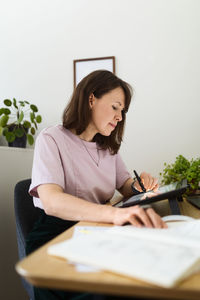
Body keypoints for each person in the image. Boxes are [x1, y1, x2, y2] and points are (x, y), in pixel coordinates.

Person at [26, 70, 167, 300]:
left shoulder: (107, 148)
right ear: (91, 99)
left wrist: (140, 185)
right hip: (56, 235)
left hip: (97, 229)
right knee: (108, 291)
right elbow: (51, 202)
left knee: (142, 276)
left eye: (123, 111)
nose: (120, 117)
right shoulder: (51, 139)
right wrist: (111, 214)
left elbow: (124, 184)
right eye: (115, 107)